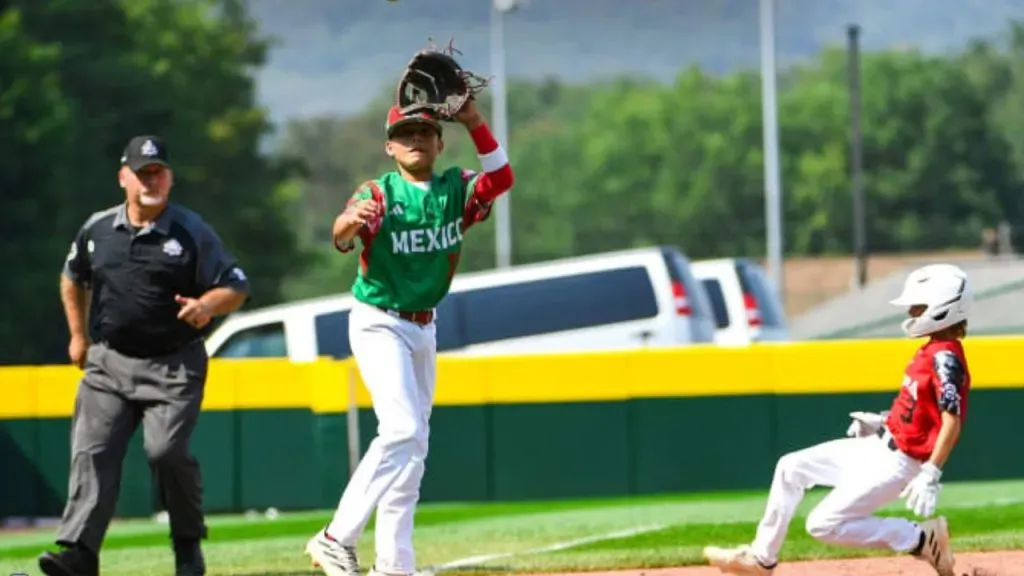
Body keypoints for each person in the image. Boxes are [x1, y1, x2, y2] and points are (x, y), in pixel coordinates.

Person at [304, 100, 514, 576]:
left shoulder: (455, 189)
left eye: (425, 131)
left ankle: (395, 566)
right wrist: (345, 229)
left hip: (424, 325)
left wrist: (475, 122)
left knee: (414, 446)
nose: (415, 139)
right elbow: (342, 231)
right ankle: (336, 537)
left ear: (440, 142)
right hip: (379, 319)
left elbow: (501, 180)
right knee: (400, 430)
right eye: (405, 133)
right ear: (389, 146)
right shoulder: (381, 193)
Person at [40, 135, 250, 576]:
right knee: (92, 451)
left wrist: (206, 305)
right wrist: (78, 336)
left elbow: (235, 284)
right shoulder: (97, 229)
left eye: (158, 172)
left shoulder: (190, 231)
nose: (150, 180)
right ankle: (79, 552)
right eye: (142, 173)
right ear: (123, 178)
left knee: (166, 452)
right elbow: (71, 276)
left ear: (169, 178)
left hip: (174, 362)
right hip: (109, 361)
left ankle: (188, 546)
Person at [703, 263, 971, 576]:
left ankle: (919, 538)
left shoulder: (945, 357)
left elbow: (951, 419)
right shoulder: (932, 350)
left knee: (821, 524)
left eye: (919, 305)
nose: (911, 311)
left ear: (943, 307)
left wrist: (931, 472)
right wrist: (884, 422)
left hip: (900, 463)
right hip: (880, 446)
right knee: (791, 467)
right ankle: (761, 559)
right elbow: (920, 410)